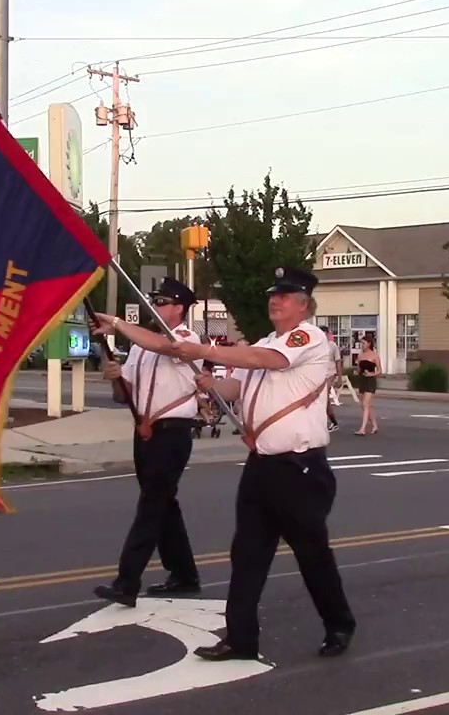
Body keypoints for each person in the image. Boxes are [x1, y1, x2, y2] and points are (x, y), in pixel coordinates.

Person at [155, 265, 356, 662]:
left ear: (303, 304)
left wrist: (204, 351)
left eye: (283, 295)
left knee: (311, 554)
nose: (274, 300)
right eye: (273, 294)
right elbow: (240, 385)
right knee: (247, 553)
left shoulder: (308, 339)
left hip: (299, 468)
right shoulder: (268, 342)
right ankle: (241, 638)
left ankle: (338, 623)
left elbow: (267, 361)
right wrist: (214, 385)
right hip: (261, 465)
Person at [90, 277, 204, 607]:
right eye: (155, 301)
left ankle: (127, 582)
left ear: (179, 308)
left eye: (163, 302)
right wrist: (114, 378)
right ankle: (184, 573)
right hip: (146, 432)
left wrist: (116, 323)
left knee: (152, 505)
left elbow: (166, 347)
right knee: (164, 504)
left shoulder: (185, 338)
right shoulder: (141, 346)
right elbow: (124, 394)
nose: (156, 306)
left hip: (173, 433)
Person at [354, 334, 381, 435]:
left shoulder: (374, 355)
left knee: (365, 404)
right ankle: (375, 425)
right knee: (366, 406)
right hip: (362, 380)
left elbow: (379, 370)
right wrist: (357, 370)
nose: (362, 345)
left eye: (364, 343)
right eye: (361, 343)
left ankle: (362, 429)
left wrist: (371, 374)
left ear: (369, 344)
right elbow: (358, 368)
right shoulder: (360, 355)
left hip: (370, 381)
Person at [320, 326, 341, 432]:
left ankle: (324, 422)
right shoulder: (317, 346)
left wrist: (340, 378)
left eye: (324, 333)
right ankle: (333, 421)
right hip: (320, 375)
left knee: (324, 394)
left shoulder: (332, 346)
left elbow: (338, 361)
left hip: (330, 374)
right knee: (323, 399)